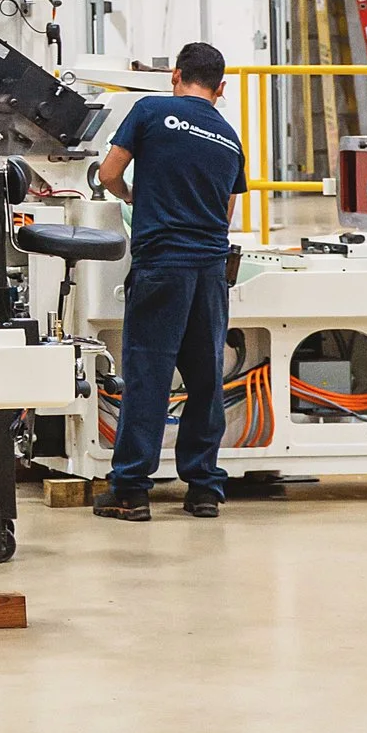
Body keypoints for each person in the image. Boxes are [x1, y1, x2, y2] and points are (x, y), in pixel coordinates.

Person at [89, 41, 248, 521]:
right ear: (221, 88)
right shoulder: (229, 136)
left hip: (162, 267)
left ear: (175, 75)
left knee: (149, 377)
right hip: (210, 271)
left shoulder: (150, 109)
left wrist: (134, 196)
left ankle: (131, 491)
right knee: (205, 381)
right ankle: (203, 489)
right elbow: (226, 212)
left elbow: (108, 171)